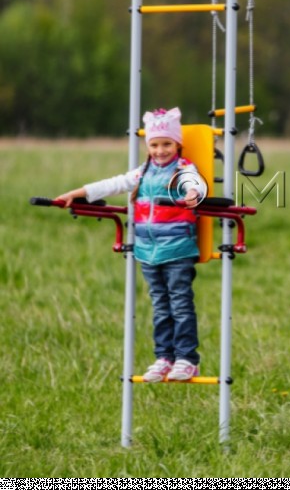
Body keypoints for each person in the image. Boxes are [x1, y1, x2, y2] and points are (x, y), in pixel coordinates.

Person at [57, 107, 205, 383]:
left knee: (180, 304)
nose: (161, 150)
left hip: (177, 249)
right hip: (147, 251)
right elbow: (111, 184)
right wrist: (77, 194)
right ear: (148, 146)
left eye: (166, 144)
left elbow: (195, 186)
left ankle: (186, 358)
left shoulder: (184, 169)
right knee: (160, 305)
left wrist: (193, 194)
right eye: (155, 145)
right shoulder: (142, 173)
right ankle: (164, 357)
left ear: (177, 144)